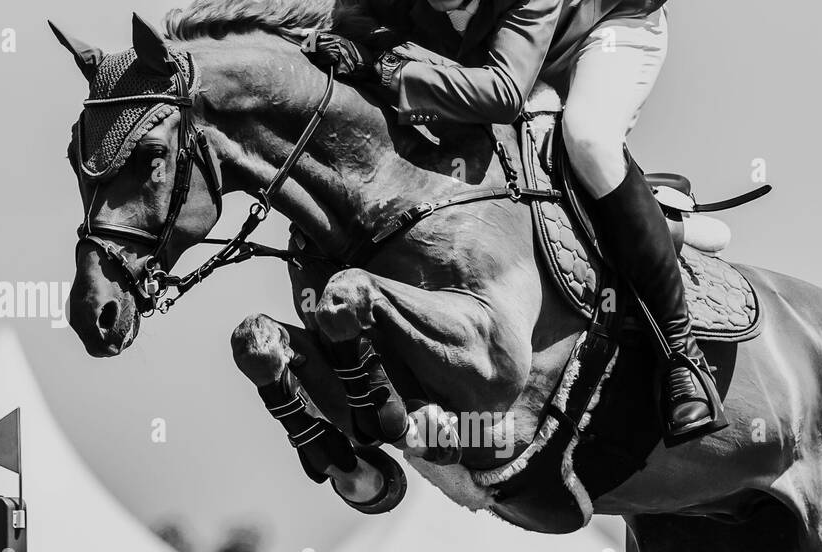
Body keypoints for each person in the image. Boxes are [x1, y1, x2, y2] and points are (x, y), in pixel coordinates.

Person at [305, 0, 726, 446]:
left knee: (587, 137)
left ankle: (683, 358)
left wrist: (387, 70)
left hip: (607, 28)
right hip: (505, 49)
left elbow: (504, 94)